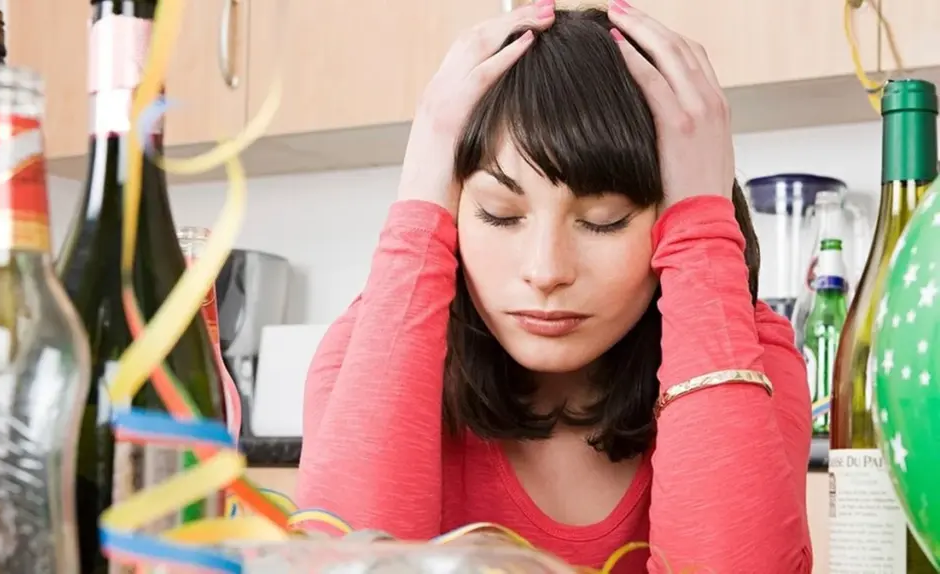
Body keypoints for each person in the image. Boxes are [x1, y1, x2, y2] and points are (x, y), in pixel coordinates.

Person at [296, 1, 813, 572]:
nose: (545, 271)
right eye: (498, 213)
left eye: (604, 220)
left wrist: (705, 233)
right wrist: (418, 202)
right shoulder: (364, 352)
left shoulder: (752, 359)